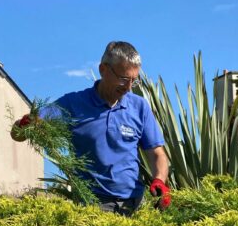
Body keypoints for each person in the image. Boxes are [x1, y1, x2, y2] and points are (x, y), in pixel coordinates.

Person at [11, 41, 171, 216]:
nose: (128, 87)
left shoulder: (139, 107)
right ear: (103, 70)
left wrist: (159, 180)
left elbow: (157, 153)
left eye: (134, 80)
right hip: (93, 206)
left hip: (135, 205)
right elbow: (18, 134)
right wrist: (26, 124)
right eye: (124, 79)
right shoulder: (72, 104)